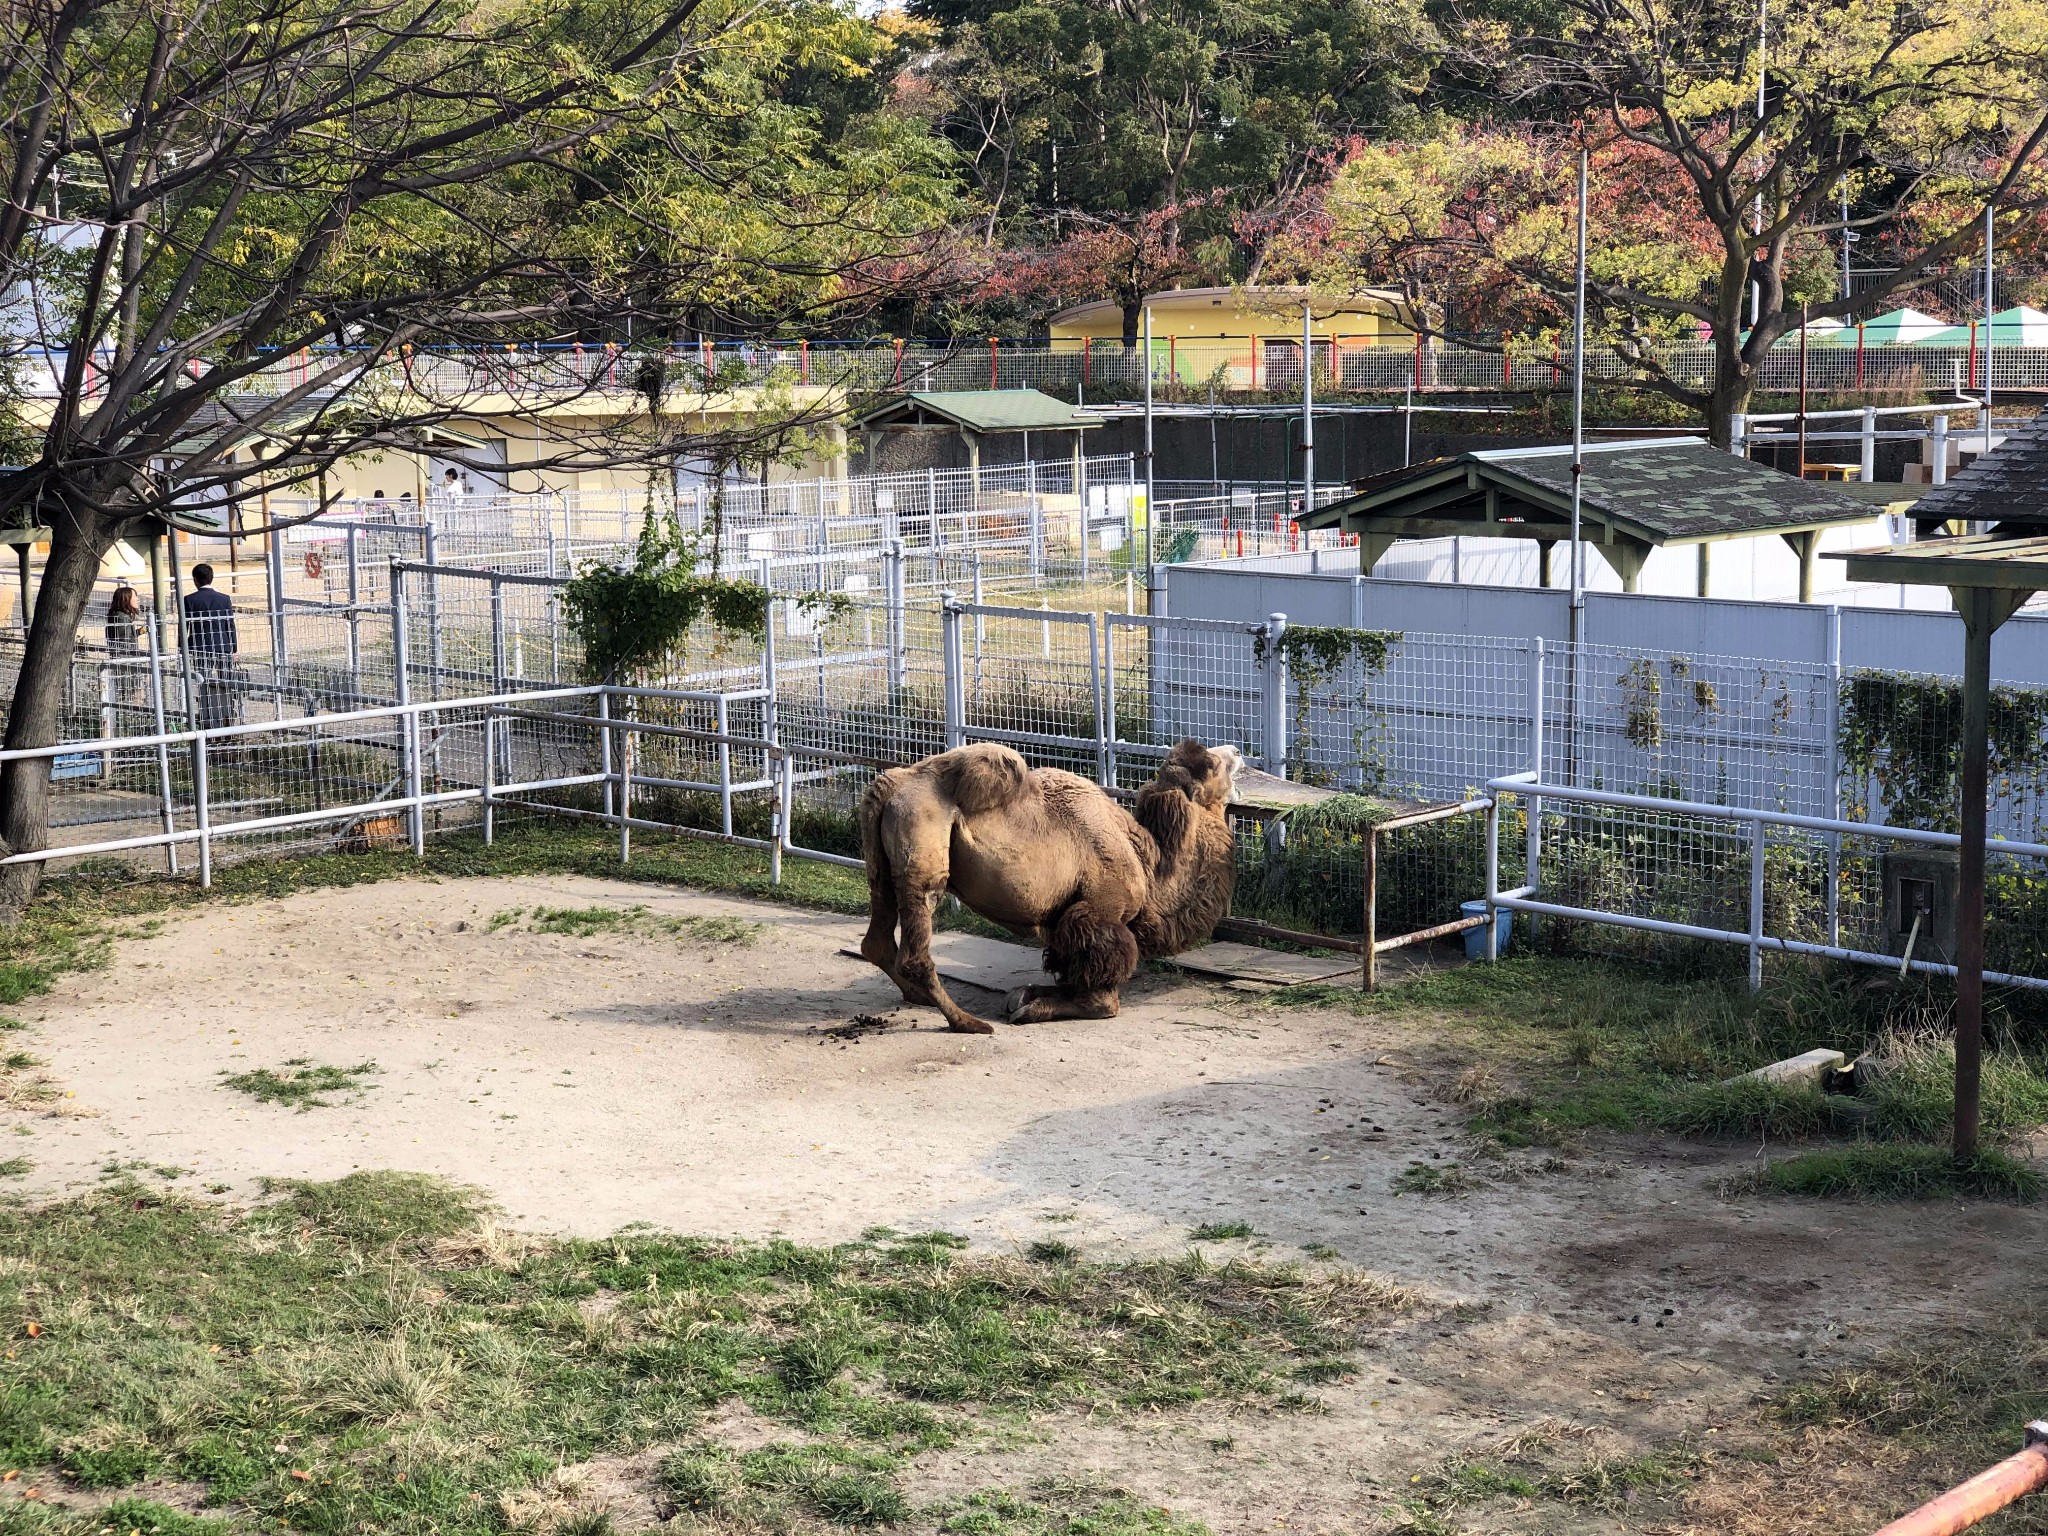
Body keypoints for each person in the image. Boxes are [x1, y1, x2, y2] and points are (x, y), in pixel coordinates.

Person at [181, 563, 239, 729]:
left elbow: (185, 627)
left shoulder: (189, 600)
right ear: (211, 577)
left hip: (201, 647)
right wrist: (233, 647)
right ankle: (227, 714)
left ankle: (206, 715)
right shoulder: (224, 599)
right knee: (226, 681)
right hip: (223, 645)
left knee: (203, 681)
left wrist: (182, 648)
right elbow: (230, 624)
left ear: (196, 580)